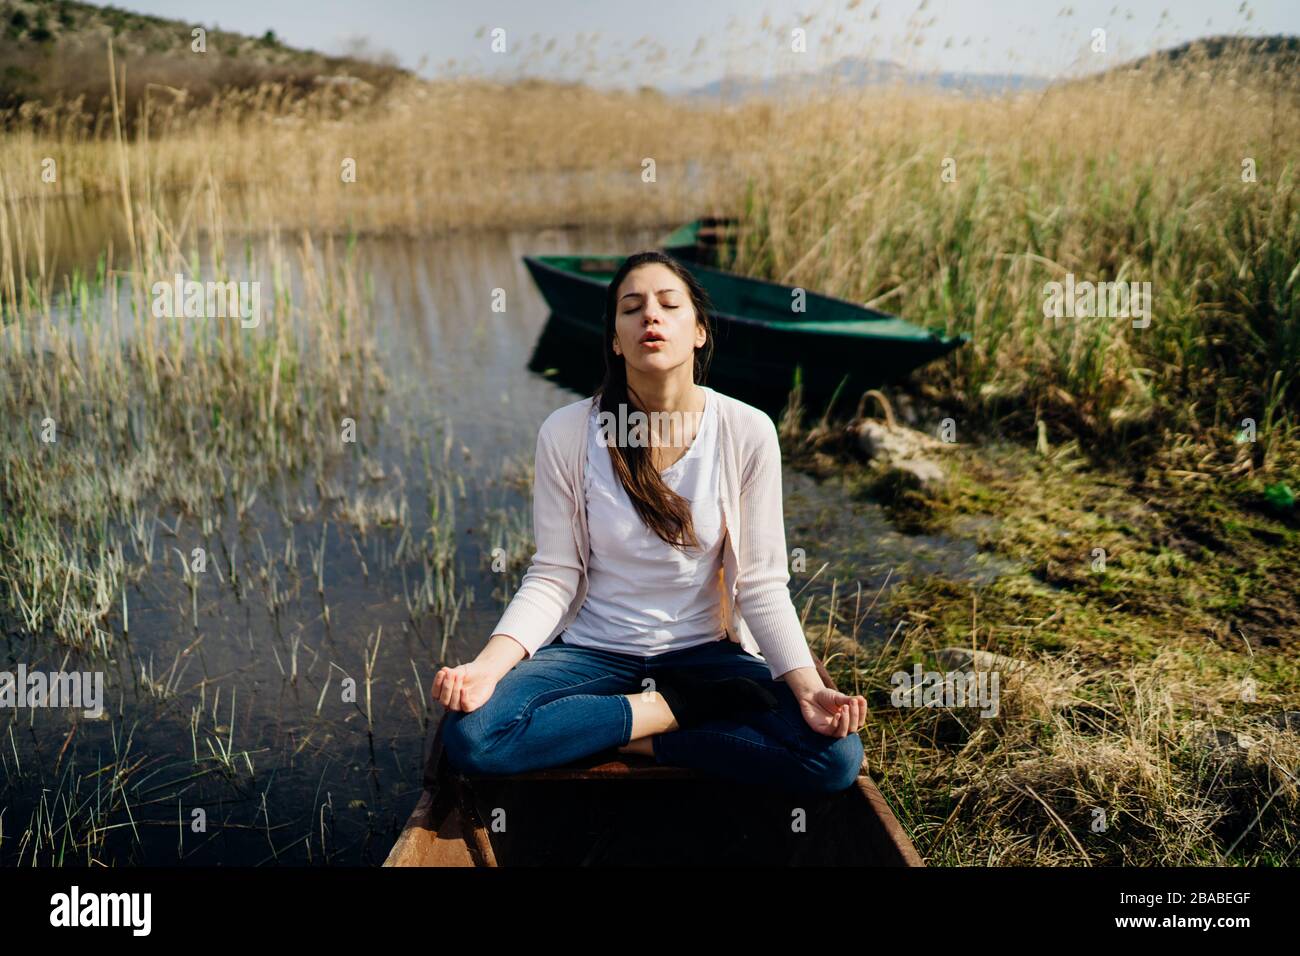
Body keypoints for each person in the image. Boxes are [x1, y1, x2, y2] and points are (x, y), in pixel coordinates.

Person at [434, 251, 866, 795]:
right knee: (473, 737)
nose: (650, 317)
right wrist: (487, 668)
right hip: (594, 652)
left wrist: (804, 687)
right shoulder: (568, 433)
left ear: (699, 330)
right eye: (631, 308)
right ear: (616, 339)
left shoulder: (746, 430)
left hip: (708, 655)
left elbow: (760, 584)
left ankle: (631, 734)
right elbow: (553, 575)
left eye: (668, 304)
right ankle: (672, 711)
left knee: (832, 760)